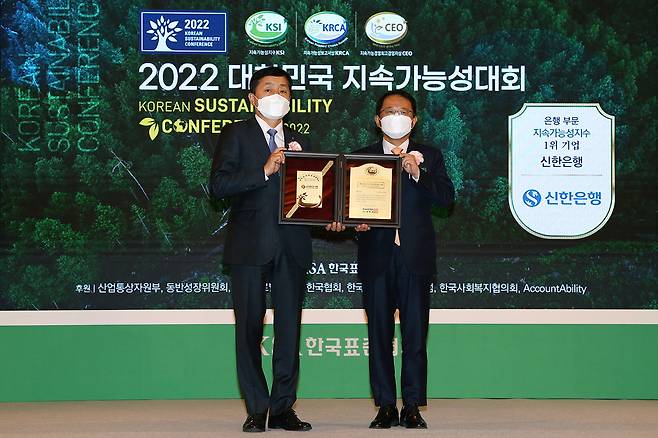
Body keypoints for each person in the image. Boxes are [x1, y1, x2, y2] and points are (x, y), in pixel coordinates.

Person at [209, 66, 313, 433]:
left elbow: (314, 198)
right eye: (269, 88)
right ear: (253, 97)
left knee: (289, 331)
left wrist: (335, 216)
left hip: (293, 246)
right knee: (249, 329)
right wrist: (265, 170)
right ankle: (257, 407)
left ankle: (283, 408)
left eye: (284, 89)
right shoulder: (236, 133)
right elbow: (218, 185)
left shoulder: (303, 142)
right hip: (249, 246)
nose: (277, 94)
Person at [354, 90, 454, 429]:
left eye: (403, 111)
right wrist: (356, 220)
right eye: (389, 111)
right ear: (377, 119)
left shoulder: (430, 155)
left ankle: (412, 405)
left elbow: (445, 197)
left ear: (414, 119)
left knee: (414, 336)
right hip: (376, 258)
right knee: (380, 336)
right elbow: (347, 206)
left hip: (415, 257)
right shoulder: (360, 157)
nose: (396, 116)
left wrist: (417, 173)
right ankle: (384, 405)